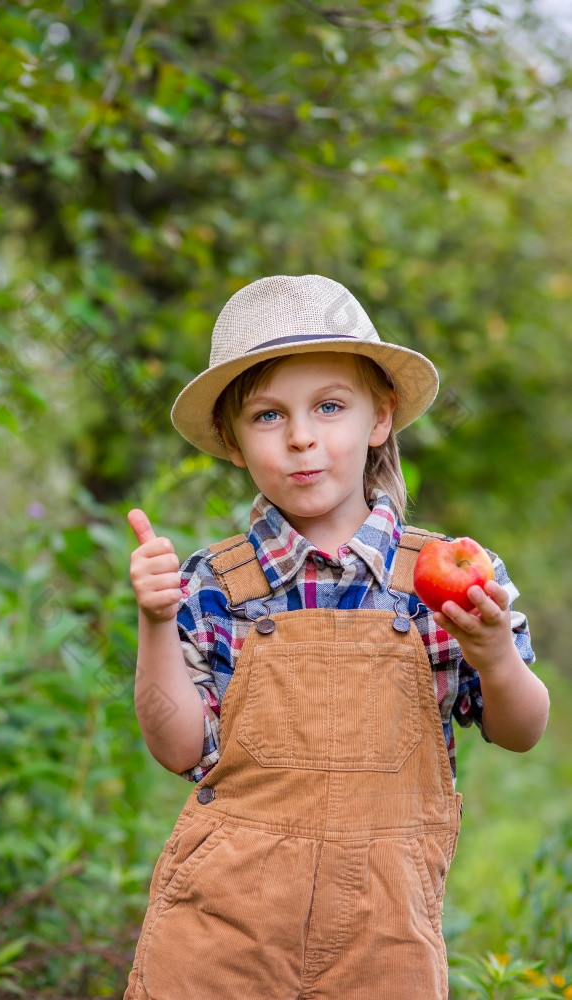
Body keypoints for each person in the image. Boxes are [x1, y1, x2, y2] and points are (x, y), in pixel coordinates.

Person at [124, 274, 549, 1000]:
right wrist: (157, 622)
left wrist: (494, 655)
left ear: (380, 418)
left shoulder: (447, 578)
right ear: (231, 441)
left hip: (385, 938)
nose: (301, 437)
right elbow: (178, 748)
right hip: (222, 934)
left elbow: (521, 730)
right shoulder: (214, 585)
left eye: (329, 406)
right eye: (267, 416)